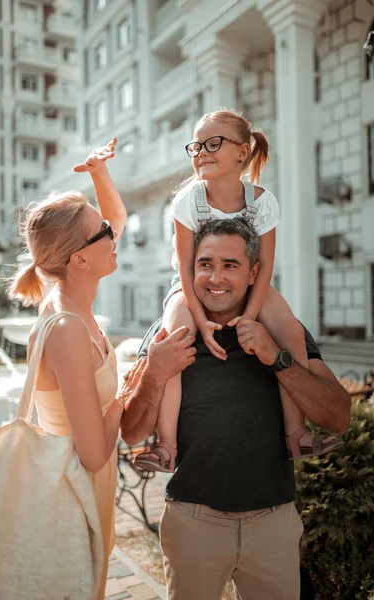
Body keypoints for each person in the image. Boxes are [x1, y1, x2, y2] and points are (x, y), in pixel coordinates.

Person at [119, 218, 351, 600]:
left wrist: (276, 357)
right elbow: (130, 432)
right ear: (190, 269)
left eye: (230, 265)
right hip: (192, 522)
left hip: (272, 522)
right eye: (205, 263)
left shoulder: (280, 328)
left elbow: (338, 417)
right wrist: (155, 375)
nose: (216, 277)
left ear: (253, 272)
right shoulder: (169, 331)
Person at [7, 141, 196, 600]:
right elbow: (92, 452)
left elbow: (116, 219)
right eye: (104, 234)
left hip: (85, 489)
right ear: (79, 259)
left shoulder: (71, 297)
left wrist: (99, 173)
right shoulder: (67, 328)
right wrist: (140, 379)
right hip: (70, 496)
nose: (116, 236)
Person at [135, 108, 342, 472]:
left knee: (290, 330)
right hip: (189, 286)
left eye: (213, 143)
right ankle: (166, 444)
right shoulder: (188, 200)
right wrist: (199, 319)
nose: (202, 151)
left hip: (250, 283)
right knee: (174, 335)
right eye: (196, 145)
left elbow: (264, 269)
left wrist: (249, 319)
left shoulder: (262, 201)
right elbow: (185, 267)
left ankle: (297, 434)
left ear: (242, 153)